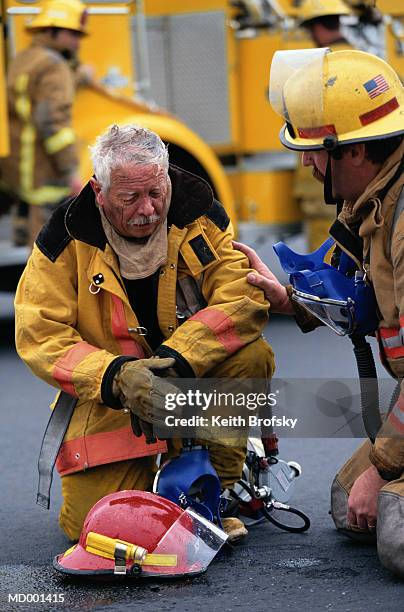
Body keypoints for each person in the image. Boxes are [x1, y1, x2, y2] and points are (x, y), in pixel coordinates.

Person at [14, 123, 275, 543]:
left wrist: (178, 360)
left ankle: (220, 489)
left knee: (251, 354)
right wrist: (117, 377)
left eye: (156, 193)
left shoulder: (198, 216)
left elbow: (242, 298)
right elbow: (39, 334)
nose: (148, 209)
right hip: (112, 400)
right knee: (95, 527)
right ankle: (171, 485)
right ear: (99, 193)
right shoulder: (64, 239)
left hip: (186, 382)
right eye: (130, 197)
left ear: (167, 179)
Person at [235, 47, 404, 575]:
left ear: (352, 152)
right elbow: (354, 291)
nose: (306, 162)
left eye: (313, 150)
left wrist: (382, 467)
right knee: (347, 503)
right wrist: (287, 299)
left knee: (393, 529)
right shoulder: (377, 198)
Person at [0, 0, 91, 247]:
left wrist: (76, 75)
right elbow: (53, 121)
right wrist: (71, 171)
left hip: (18, 165)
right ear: (52, 30)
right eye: (72, 34)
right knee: (47, 245)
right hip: (43, 168)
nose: (77, 42)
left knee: (29, 231)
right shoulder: (55, 66)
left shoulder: (24, 58)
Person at [294, 0, 353, 253]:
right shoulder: (360, 61)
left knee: (326, 246)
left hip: (325, 174)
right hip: (352, 166)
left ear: (317, 28)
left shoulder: (323, 68)